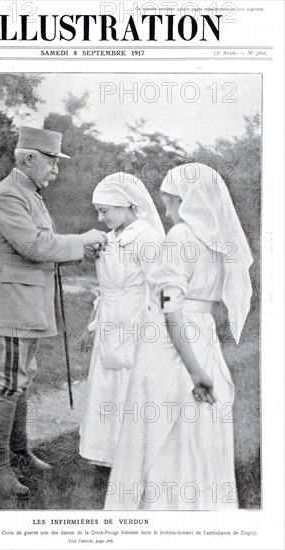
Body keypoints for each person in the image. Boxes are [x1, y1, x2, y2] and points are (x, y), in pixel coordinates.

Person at [105, 163, 253, 510]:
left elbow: (171, 313)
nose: (167, 211)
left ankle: (158, 508)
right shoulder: (218, 240)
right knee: (197, 427)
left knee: (165, 423)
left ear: (186, 201)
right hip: (202, 335)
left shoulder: (180, 237)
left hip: (174, 342)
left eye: (170, 202)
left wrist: (195, 371)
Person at [0, 126, 107, 496]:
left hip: (26, 299)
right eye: (51, 162)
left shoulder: (29, 192)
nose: (56, 170)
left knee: (23, 376)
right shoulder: (7, 197)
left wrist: (77, 250)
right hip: (11, 302)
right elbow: (34, 245)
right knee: (11, 380)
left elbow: (44, 246)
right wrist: (81, 241)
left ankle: (17, 451)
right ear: (28, 158)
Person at [78, 172, 165, 467]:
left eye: (105, 210)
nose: (101, 217)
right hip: (109, 320)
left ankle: (133, 452)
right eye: (98, 211)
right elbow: (104, 290)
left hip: (136, 319)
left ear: (126, 205)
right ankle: (105, 451)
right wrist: (91, 326)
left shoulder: (147, 238)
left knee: (131, 380)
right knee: (106, 384)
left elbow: (159, 289)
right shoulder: (108, 239)